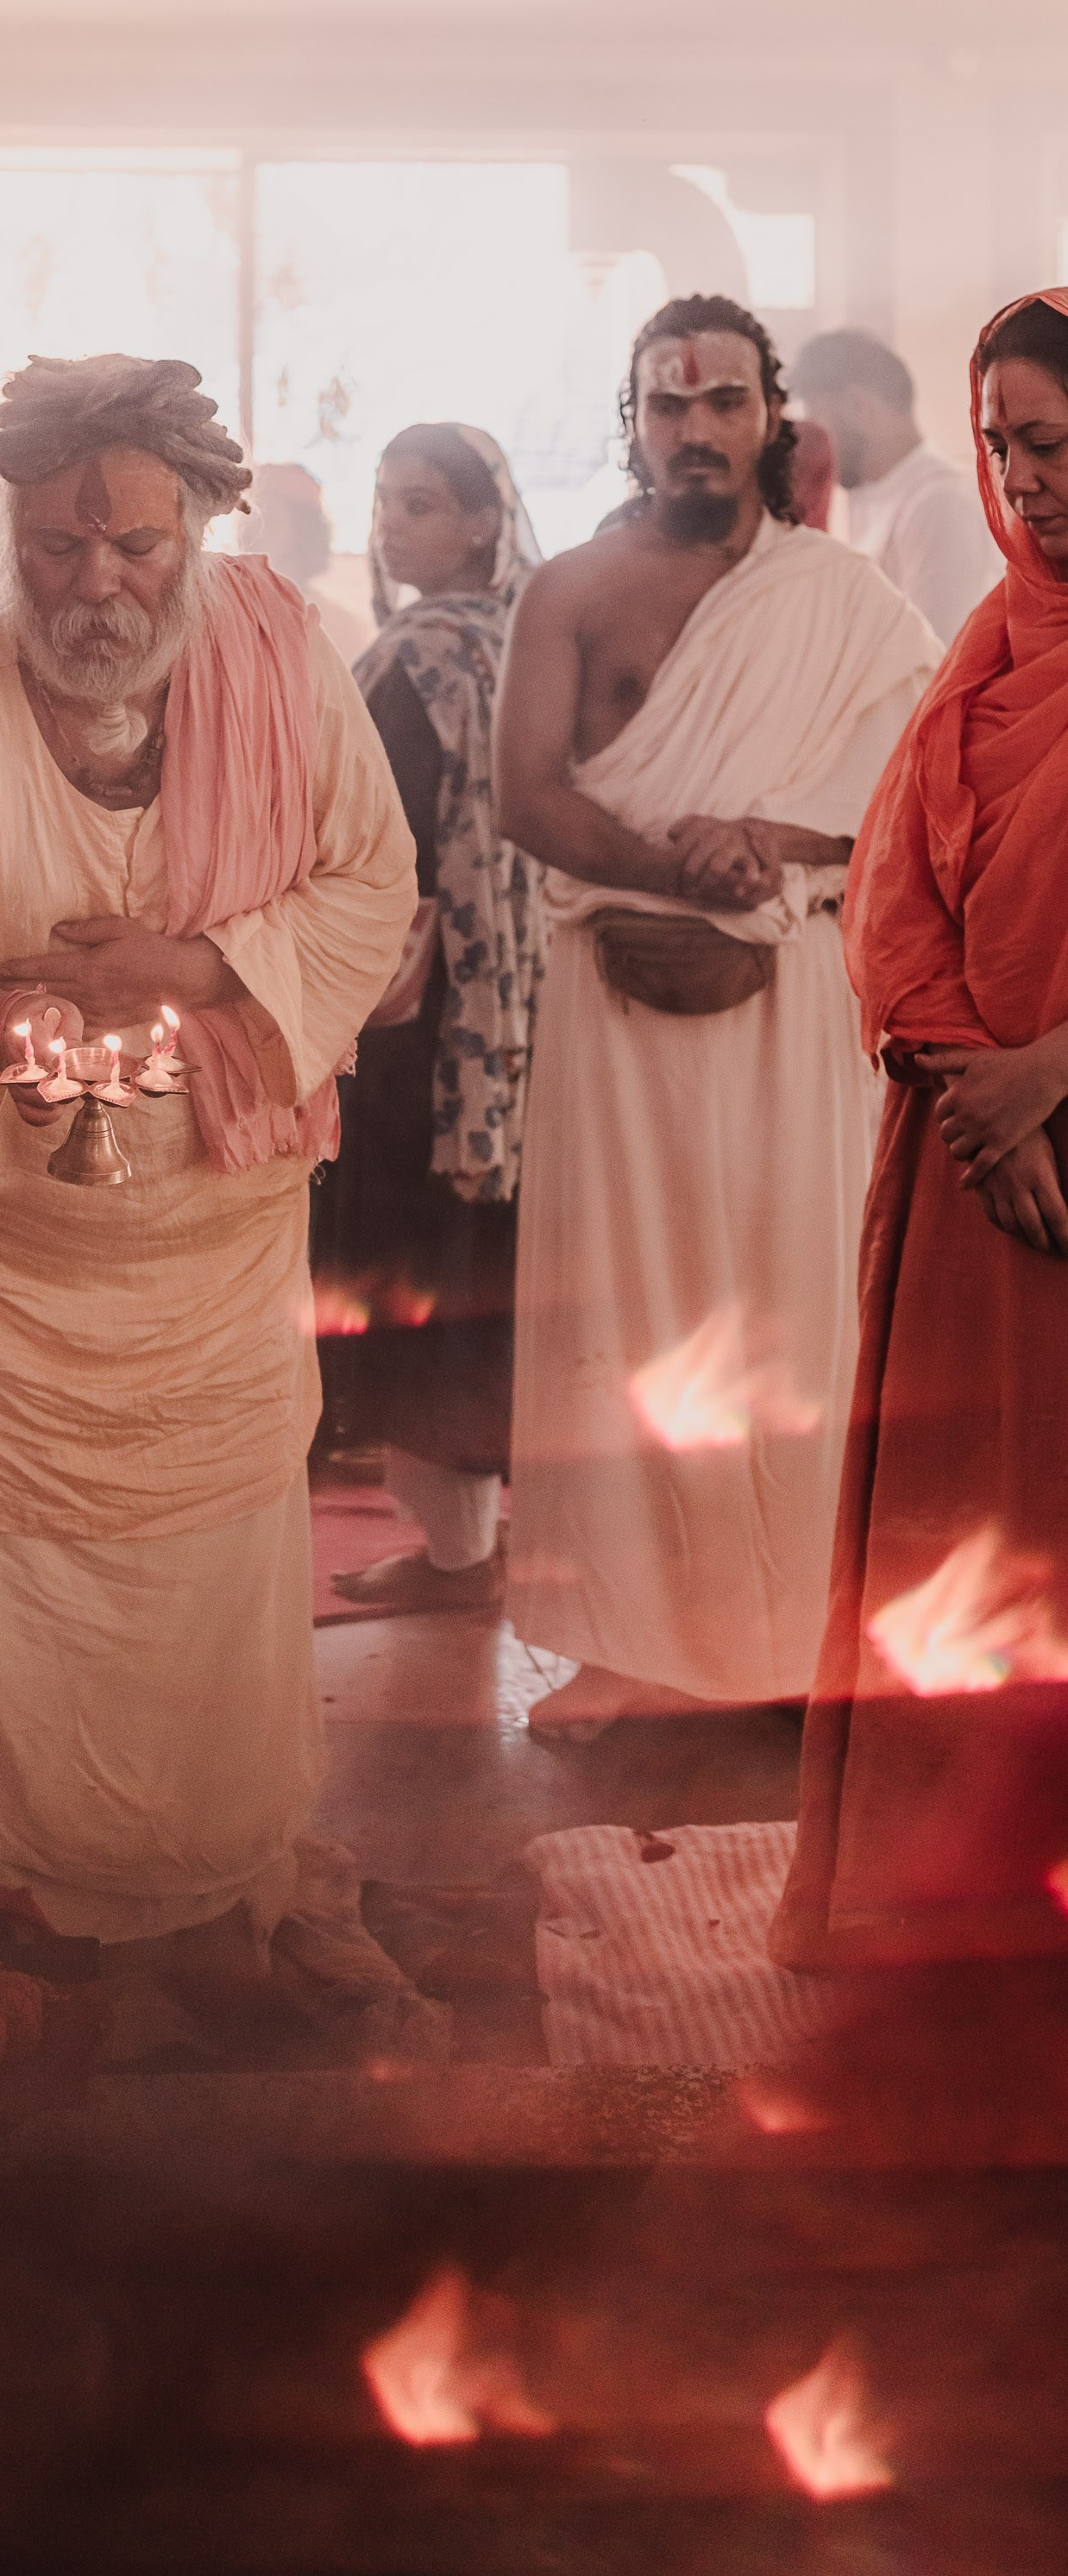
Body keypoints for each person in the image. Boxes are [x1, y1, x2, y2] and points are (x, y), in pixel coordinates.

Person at [0, 353, 414, 1955]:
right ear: (8, 539)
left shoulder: (289, 680)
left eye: (137, 546)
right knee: (5, 1615)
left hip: (213, 1258)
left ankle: (207, 1873)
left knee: (197, 1591)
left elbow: (371, 884)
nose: (98, 582)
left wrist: (194, 971)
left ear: (202, 532)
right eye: (61, 549)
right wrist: (2, 1024)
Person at [494, 293, 939, 1733]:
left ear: (771, 416)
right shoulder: (565, 588)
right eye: (667, 405)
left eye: (725, 403)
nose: (696, 430)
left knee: (794, 1291)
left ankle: (800, 1636)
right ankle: (624, 1639)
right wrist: (682, 855)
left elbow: (903, 787)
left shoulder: (846, 602)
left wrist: (771, 841)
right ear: (630, 421)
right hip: (615, 1008)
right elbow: (528, 794)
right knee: (620, 1306)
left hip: (787, 993)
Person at [773, 288, 1068, 1970]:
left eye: (1057, 445)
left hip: (1045, 1132)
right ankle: (947, 1898)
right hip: (982, 1185)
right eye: (1004, 447)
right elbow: (895, 898)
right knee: (973, 1539)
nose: (1024, 484)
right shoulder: (989, 650)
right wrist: (983, 1086)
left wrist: (1057, 1069)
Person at [314, 424, 545, 1612]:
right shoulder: (530, 644)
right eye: (386, 501)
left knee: (420, 1261)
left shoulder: (411, 662)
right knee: (484, 1257)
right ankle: (472, 1537)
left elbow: (370, 841)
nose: (393, 525)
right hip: (522, 1011)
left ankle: (456, 1552)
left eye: (420, 504)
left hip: (424, 1013)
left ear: (481, 523)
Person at [791, 327, 1001, 647]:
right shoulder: (872, 495)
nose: (815, 444)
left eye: (820, 418)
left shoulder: (939, 502)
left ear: (860, 407)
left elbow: (935, 656)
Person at [254, 462, 374, 664]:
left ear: (302, 527)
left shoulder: (344, 626)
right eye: (247, 516)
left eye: (268, 516)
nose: (253, 528)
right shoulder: (222, 609)